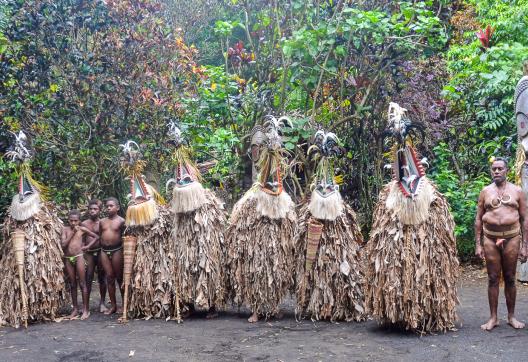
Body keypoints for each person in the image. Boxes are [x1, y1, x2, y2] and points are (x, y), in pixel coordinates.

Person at [475, 157, 528, 331]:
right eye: (494, 169)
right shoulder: (485, 191)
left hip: (512, 238)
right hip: (490, 238)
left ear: (507, 170)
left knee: (510, 278)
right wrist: (478, 244)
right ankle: (493, 318)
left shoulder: (518, 191)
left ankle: (511, 317)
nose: (496, 171)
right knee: (492, 278)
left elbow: (524, 219)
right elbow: (478, 219)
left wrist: (525, 245)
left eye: (500, 169)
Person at [61, 209, 99, 320]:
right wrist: (72, 233)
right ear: (68, 220)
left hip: (79, 257)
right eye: (71, 221)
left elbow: (96, 237)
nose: (73, 223)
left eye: (75, 221)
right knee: (72, 284)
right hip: (68, 258)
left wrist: (87, 247)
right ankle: (75, 309)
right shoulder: (65, 229)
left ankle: (86, 309)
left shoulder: (82, 229)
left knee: (83, 283)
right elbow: (63, 245)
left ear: (79, 221)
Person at [81, 199, 108, 313]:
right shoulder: (84, 223)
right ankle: (86, 306)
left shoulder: (102, 223)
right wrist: (82, 250)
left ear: (100, 211)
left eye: (95, 209)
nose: (92, 211)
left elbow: (103, 238)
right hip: (89, 253)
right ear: (88, 210)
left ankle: (102, 303)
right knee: (88, 277)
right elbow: (82, 239)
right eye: (90, 209)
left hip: (100, 251)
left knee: (102, 277)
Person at [99, 197, 125, 315]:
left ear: (117, 208)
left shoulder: (121, 221)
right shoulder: (102, 221)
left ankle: (125, 305)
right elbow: (100, 235)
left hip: (117, 250)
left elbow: (125, 236)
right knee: (109, 277)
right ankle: (113, 306)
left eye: (111, 206)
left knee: (119, 278)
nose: (108, 208)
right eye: (107, 206)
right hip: (104, 251)